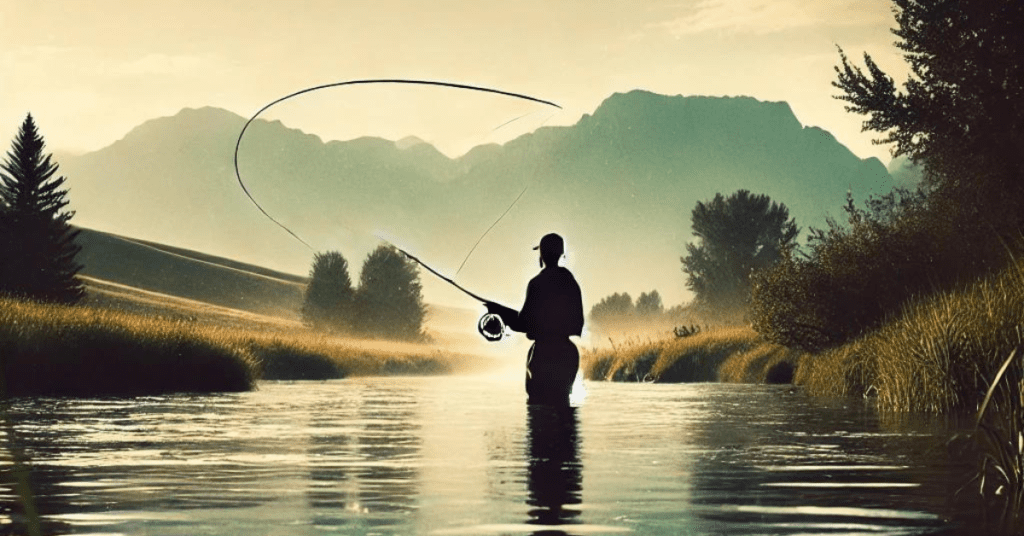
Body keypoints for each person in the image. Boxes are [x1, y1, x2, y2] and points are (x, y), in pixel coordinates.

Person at [486, 233, 584, 405]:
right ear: (561, 254)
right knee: (562, 408)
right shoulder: (570, 282)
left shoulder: (537, 283)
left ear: (542, 255)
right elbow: (577, 322)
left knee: (538, 408)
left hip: (543, 354)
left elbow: (523, 323)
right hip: (568, 355)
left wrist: (499, 311)